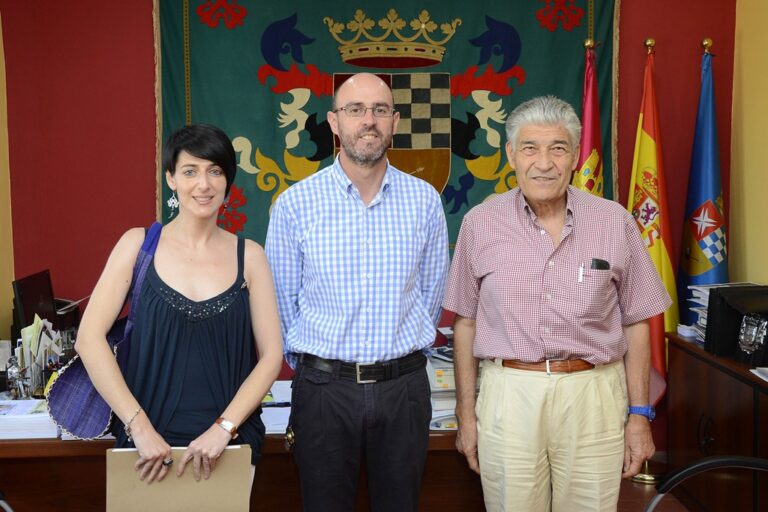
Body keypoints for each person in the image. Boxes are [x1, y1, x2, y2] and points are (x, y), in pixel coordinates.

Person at [443, 96, 672, 511]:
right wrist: (466, 415)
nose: (544, 162)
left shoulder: (614, 221)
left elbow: (638, 321)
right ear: (511, 155)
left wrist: (639, 415)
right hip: (509, 394)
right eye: (530, 148)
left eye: (558, 148)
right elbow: (466, 323)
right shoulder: (480, 222)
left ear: (573, 157)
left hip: (594, 395)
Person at [265, 73, 449, 512]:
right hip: (324, 390)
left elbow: (431, 295)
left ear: (395, 121)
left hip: (403, 388)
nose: (369, 121)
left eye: (380, 110)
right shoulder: (295, 204)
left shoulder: (424, 201)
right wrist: (320, 369)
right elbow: (281, 304)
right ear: (333, 121)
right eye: (355, 110)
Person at [75, 123, 283, 484]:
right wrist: (138, 427)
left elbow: (271, 357)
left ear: (227, 182)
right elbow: (88, 339)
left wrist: (224, 429)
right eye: (190, 171)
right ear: (171, 178)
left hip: (229, 448)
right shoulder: (137, 247)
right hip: (147, 451)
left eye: (215, 171)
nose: (203, 184)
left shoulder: (250, 256)